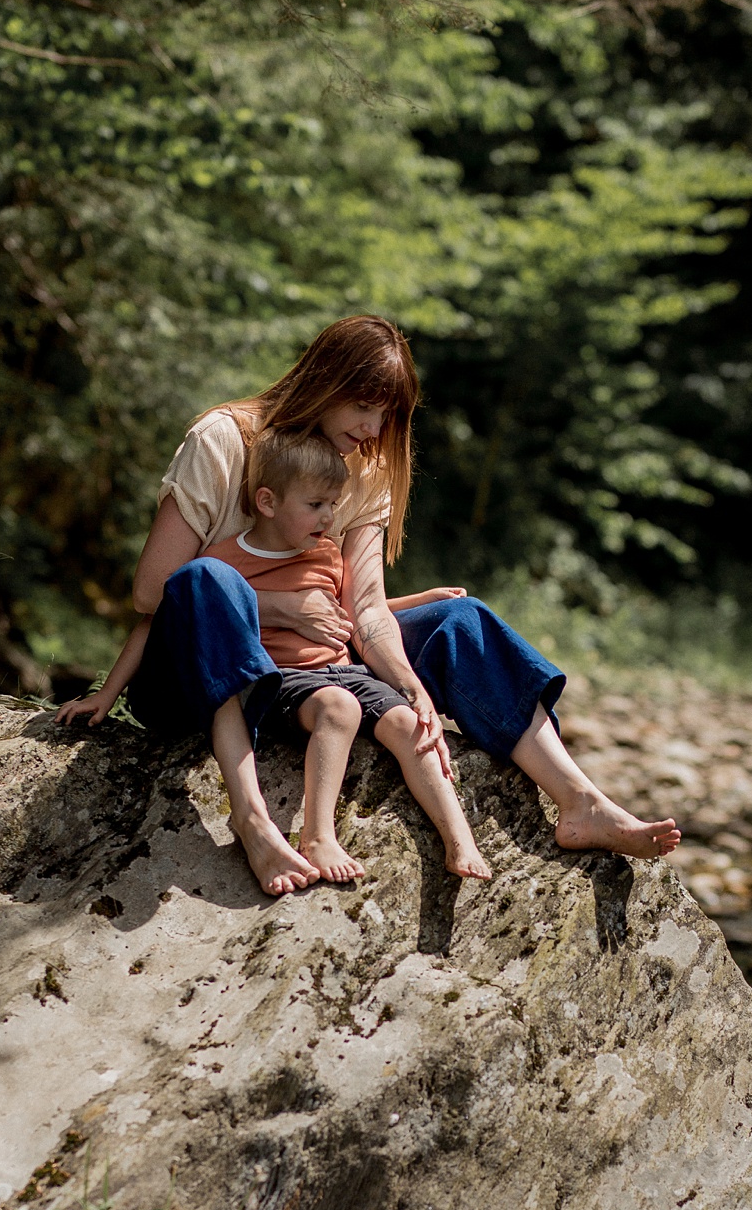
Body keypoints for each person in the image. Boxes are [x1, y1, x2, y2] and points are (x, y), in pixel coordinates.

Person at [56, 314, 681, 896]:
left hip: (308, 672)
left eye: (387, 415)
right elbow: (152, 592)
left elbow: (368, 607)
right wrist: (280, 608)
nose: (374, 430)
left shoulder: (368, 467)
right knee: (208, 583)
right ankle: (252, 820)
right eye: (363, 406)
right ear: (323, 383)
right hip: (193, 674)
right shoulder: (224, 439)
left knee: (461, 620)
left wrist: (411, 686)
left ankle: (578, 802)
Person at [213, 427, 491, 884]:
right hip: (288, 679)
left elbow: (353, 612)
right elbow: (178, 614)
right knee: (339, 708)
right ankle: (318, 835)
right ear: (267, 502)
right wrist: (110, 691)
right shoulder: (226, 562)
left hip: (345, 668)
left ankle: (458, 837)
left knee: (410, 721)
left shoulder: (325, 553)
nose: (328, 517)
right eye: (315, 505)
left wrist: (419, 599)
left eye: (334, 505)